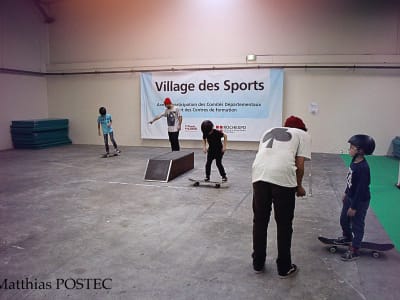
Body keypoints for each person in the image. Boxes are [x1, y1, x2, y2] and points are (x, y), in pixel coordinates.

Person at [251, 116, 311, 278]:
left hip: (259, 174)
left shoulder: (268, 131)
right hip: (283, 177)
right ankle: (284, 267)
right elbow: (299, 165)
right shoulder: (302, 134)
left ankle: (258, 263)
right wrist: (299, 186)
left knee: (260, 220)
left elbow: (265, 156)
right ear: (302, 128)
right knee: (284, 224)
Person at [335, 134, 375, 261]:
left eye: (352, 147)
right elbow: (350, 180)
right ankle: (347, 237)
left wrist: (354, 207)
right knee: (344, 220)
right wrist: (346, 193)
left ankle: (355, 249)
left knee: (357, 225)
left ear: (361, 151)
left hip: (360, 200)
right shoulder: (354, 161)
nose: (349, 149)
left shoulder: (363, 168)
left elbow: (361, 189)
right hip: (350, 197)